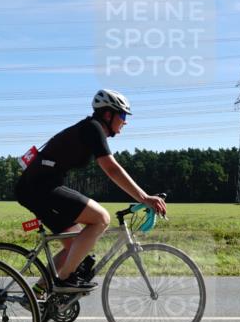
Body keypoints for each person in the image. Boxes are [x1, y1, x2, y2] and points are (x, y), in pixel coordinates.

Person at [14, 89, 166, 292]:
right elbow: (112, 169)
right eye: (122, 115)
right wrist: (145, 197)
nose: (125, 122)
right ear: (107, 114)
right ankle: (64, 279)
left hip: (36, 188)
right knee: (101, 218)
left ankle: (39, 292)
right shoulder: (93, 129)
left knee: (76, 246)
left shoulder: (89, 128)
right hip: (40, 188)